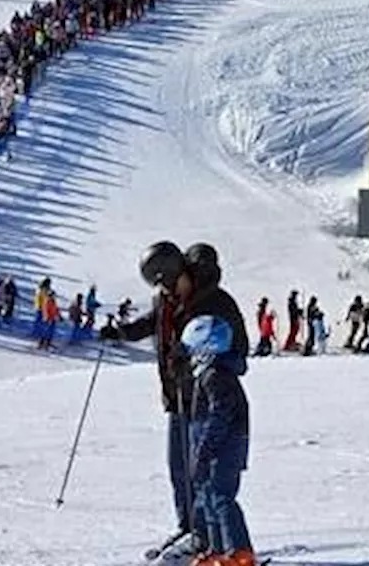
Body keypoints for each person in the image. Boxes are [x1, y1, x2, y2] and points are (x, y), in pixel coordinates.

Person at [99, 241, 250, 563]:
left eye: (169, 283)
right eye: (161, 286)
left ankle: (209, 539)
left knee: (203, 472)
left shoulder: (216, 302)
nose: (167, 291)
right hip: (176, 396)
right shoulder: (166, 299)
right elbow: (151, 323)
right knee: (180, 469)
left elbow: (240, 354)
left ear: (182, 272)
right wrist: (120, 333)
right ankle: (191, 529)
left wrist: (205, 362)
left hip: (206, 399)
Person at [180, 310, 255, 566]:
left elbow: (221, 414)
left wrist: (206, 447)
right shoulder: (209, 374)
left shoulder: (216, 376)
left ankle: (239, 551)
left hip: (224, 447)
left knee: (222, 497)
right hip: (209, 446)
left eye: (193, 349)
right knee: (208, 496)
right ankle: (218, 549)